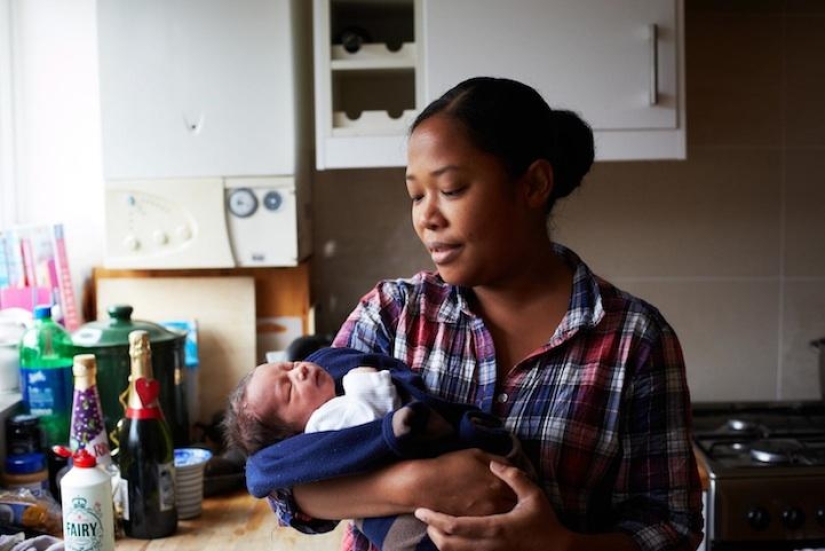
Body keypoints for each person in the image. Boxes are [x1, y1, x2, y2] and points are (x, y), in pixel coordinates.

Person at [262, 76, 704, 551]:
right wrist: (414, 485)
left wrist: (557, 546)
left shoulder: (634, 339)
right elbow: (284, 483)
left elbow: (670, 527)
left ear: (533, 184)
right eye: (416, 195)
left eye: (450, 189)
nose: (426, 217)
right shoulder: (392, 315)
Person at [227, 346, 531, 551]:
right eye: (289, 389)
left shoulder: (330, 386)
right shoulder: (324, 421)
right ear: (292, 435)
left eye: (291, 366)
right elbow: (376, 409)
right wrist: (413, 484)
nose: (300, 372)